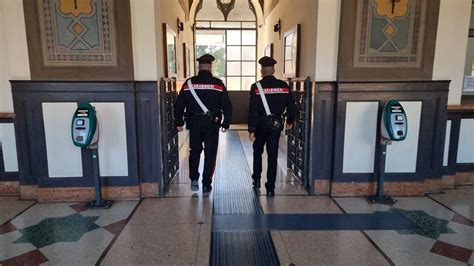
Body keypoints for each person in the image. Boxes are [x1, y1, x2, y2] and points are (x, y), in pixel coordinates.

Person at [174, 54, 232, 196]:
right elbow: (227, 105)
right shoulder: (218, 84)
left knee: (195, 151)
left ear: (198, 66)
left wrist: (179, 121)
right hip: (212, 124)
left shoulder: (189, 83)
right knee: (210, 154)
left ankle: (194, 179)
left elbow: (179, 104)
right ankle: (207, 184)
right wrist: (226, 123)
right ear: (210, 66)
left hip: (194, 123)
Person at [248, 56, 296, 197]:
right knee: (273, 155)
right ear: (274, 70)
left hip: (260, 124)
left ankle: (256, 179)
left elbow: (253, 110)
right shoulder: (284, 86)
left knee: (258, 152)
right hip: (276, 124)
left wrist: (252, 130)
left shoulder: (256, 87)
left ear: (262, 71)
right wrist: (289, 121)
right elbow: (292, 107)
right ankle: (270, 188)